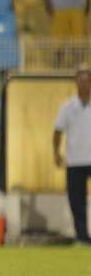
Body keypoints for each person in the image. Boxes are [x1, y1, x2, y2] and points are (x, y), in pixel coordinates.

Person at [53, 65, 91, 246]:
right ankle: (82, 237)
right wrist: (56, 153)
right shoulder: (67, 107)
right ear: (76, 82)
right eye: (81, 81)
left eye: (87, 81)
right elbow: (57, 131)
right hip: (75, 160)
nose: (84, 84)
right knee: (77, 201)